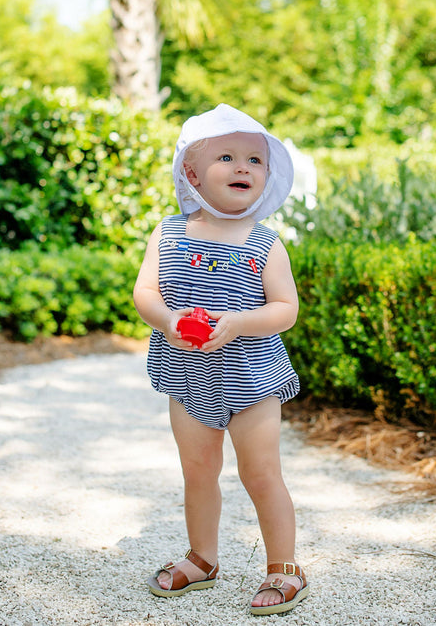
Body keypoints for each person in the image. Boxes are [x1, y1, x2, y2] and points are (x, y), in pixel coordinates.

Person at [133, 103, 308, 616]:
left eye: (255, 160)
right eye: (227, 157)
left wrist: (237, 322)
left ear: (267, 175)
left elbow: (286, 310)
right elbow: (145, 292)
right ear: (191, 173)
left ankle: (284, 566)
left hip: (252, 383)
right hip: (188, 379)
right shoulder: (167, 234)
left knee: (261, 474)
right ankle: (203, 558)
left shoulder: (266, 243)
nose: (243, 167)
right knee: (198, 471)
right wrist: (166, 321)